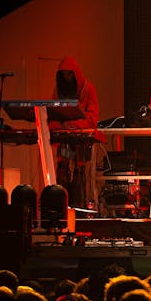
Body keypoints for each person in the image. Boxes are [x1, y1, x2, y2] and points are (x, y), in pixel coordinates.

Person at [47, 55, 105, 208]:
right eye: (63, 75)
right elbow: (53, 114)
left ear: (75, 74)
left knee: (82, 174)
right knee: (63, 171)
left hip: (83, 141)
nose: (66, 78)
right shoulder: (58, 91)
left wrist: (71, 125)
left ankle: (83, 206)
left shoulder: (88, 89)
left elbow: (92, 118)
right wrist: (57, 128)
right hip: (66, 141)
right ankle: (62, 205)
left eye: (69, 74)